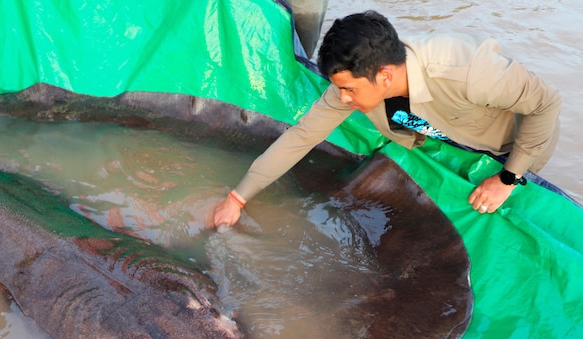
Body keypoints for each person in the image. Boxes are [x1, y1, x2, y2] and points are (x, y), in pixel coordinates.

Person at [212, 10, 561, 228]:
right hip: (443, 140)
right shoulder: (356, 80)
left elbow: (546, 104)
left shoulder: (465, 69)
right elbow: (301, 136)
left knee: (507, 217)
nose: (342, 99)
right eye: (339, 88)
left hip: (509, 147)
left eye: (348, 89)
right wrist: (238, 197)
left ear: (384, 76)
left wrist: (509, 178)